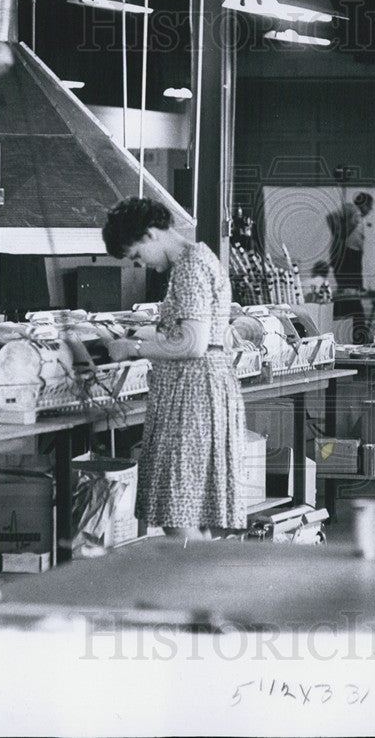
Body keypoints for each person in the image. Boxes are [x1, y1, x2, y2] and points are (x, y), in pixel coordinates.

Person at [102, 197, 246, 538]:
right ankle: (200, 586)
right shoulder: (202, 257)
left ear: (151, 234)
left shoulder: (188, 268)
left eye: (137, 255)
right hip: (207, 389)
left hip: (191, 394)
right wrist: (152, 333)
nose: (143, 265)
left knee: (177, 511)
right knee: (193, 508)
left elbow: (191, 344)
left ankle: (188, 588)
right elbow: (200, 333)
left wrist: (131, 347)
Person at [326, 191, 373, 341]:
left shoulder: (354, 213)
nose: (370, 211)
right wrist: (342, 233)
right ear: (364, 204)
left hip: (351, 255)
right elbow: (331, 218)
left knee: (351, 294)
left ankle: (355, 329)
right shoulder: (353, 210)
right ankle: (357, 329)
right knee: (351, 294)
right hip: (348, 255)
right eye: (369, 207)